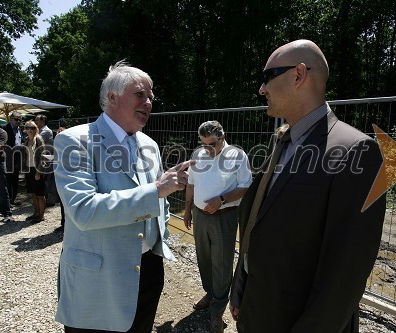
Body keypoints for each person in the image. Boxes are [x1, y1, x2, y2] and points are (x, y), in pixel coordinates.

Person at [229, 39, 386, 333]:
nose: (262, 89)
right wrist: (242, 286)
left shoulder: (358, 151)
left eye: (267, 77)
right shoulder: (282, 140)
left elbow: (345, 273)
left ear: (298, 75)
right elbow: (257, 222)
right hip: (257, 309)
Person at [54, 60, 194, 333]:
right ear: (112, 97)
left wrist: (159, 241)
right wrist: (157, 190)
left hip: (148, 273)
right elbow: (83, 210)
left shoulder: (148, 144)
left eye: (151, 96)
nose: (149, 102)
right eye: (140, 94)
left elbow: (158, 203)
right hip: (98, 281)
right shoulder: (75, 141)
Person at [183, 121, 252, 333]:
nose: (208, 149)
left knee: (221, 263)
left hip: (224, 216)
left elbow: (245, 187)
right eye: (204, 144)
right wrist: (187, 209)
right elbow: (192, 183)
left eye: (212, 144)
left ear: (223, 137)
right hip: (201, 216)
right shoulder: (199, 154)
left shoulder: (238, 156)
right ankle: (210, 293)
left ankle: (217, 311)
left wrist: (221, 200)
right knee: (203, 258)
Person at [22, 120, 46, 223]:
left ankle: (41, 216)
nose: (29, 130)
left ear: (36, 129)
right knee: (33, 193)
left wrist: (38, 172)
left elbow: (44, 157)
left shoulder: (39, 139)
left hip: (37, 170)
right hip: (29, 169)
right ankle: (36, 213)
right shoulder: (26, 140)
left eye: (32, 128)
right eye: (27, 128)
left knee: (40, 194)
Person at [3, 112, 24, 206]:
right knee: (8, 180)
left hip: (17, 158)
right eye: (16, 119)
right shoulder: (4, 129)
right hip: (7, 158)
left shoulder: (20, 129)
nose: (18, 121)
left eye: (20, 120)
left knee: (15, 180)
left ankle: (13, 199)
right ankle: (7, 201)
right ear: (11, 119)